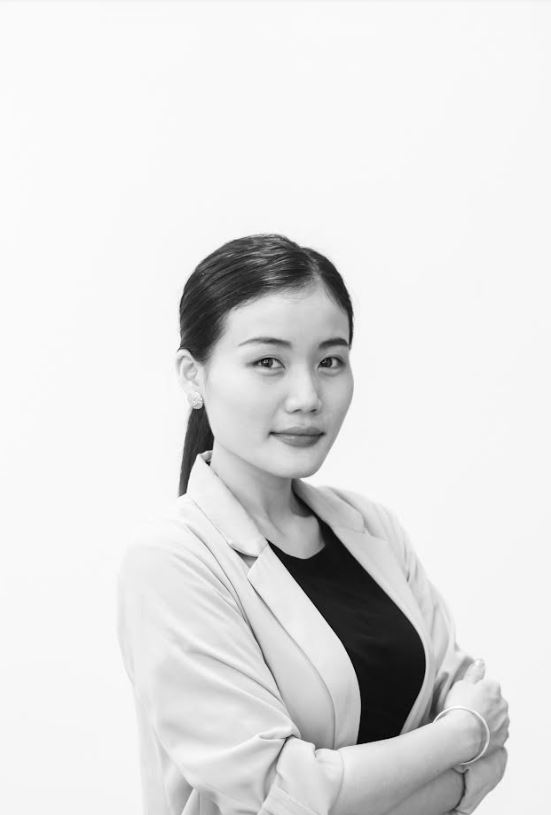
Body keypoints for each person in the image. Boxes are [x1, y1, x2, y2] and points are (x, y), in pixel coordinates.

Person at [116, 233, 509, 815]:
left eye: (330, 361)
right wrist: (460, 739)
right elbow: (286, 792)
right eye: (267, 362)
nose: (307, 397)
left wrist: (469, 742)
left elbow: (488, 734)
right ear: (193, 376)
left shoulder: (372, 528)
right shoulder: (172, 562)